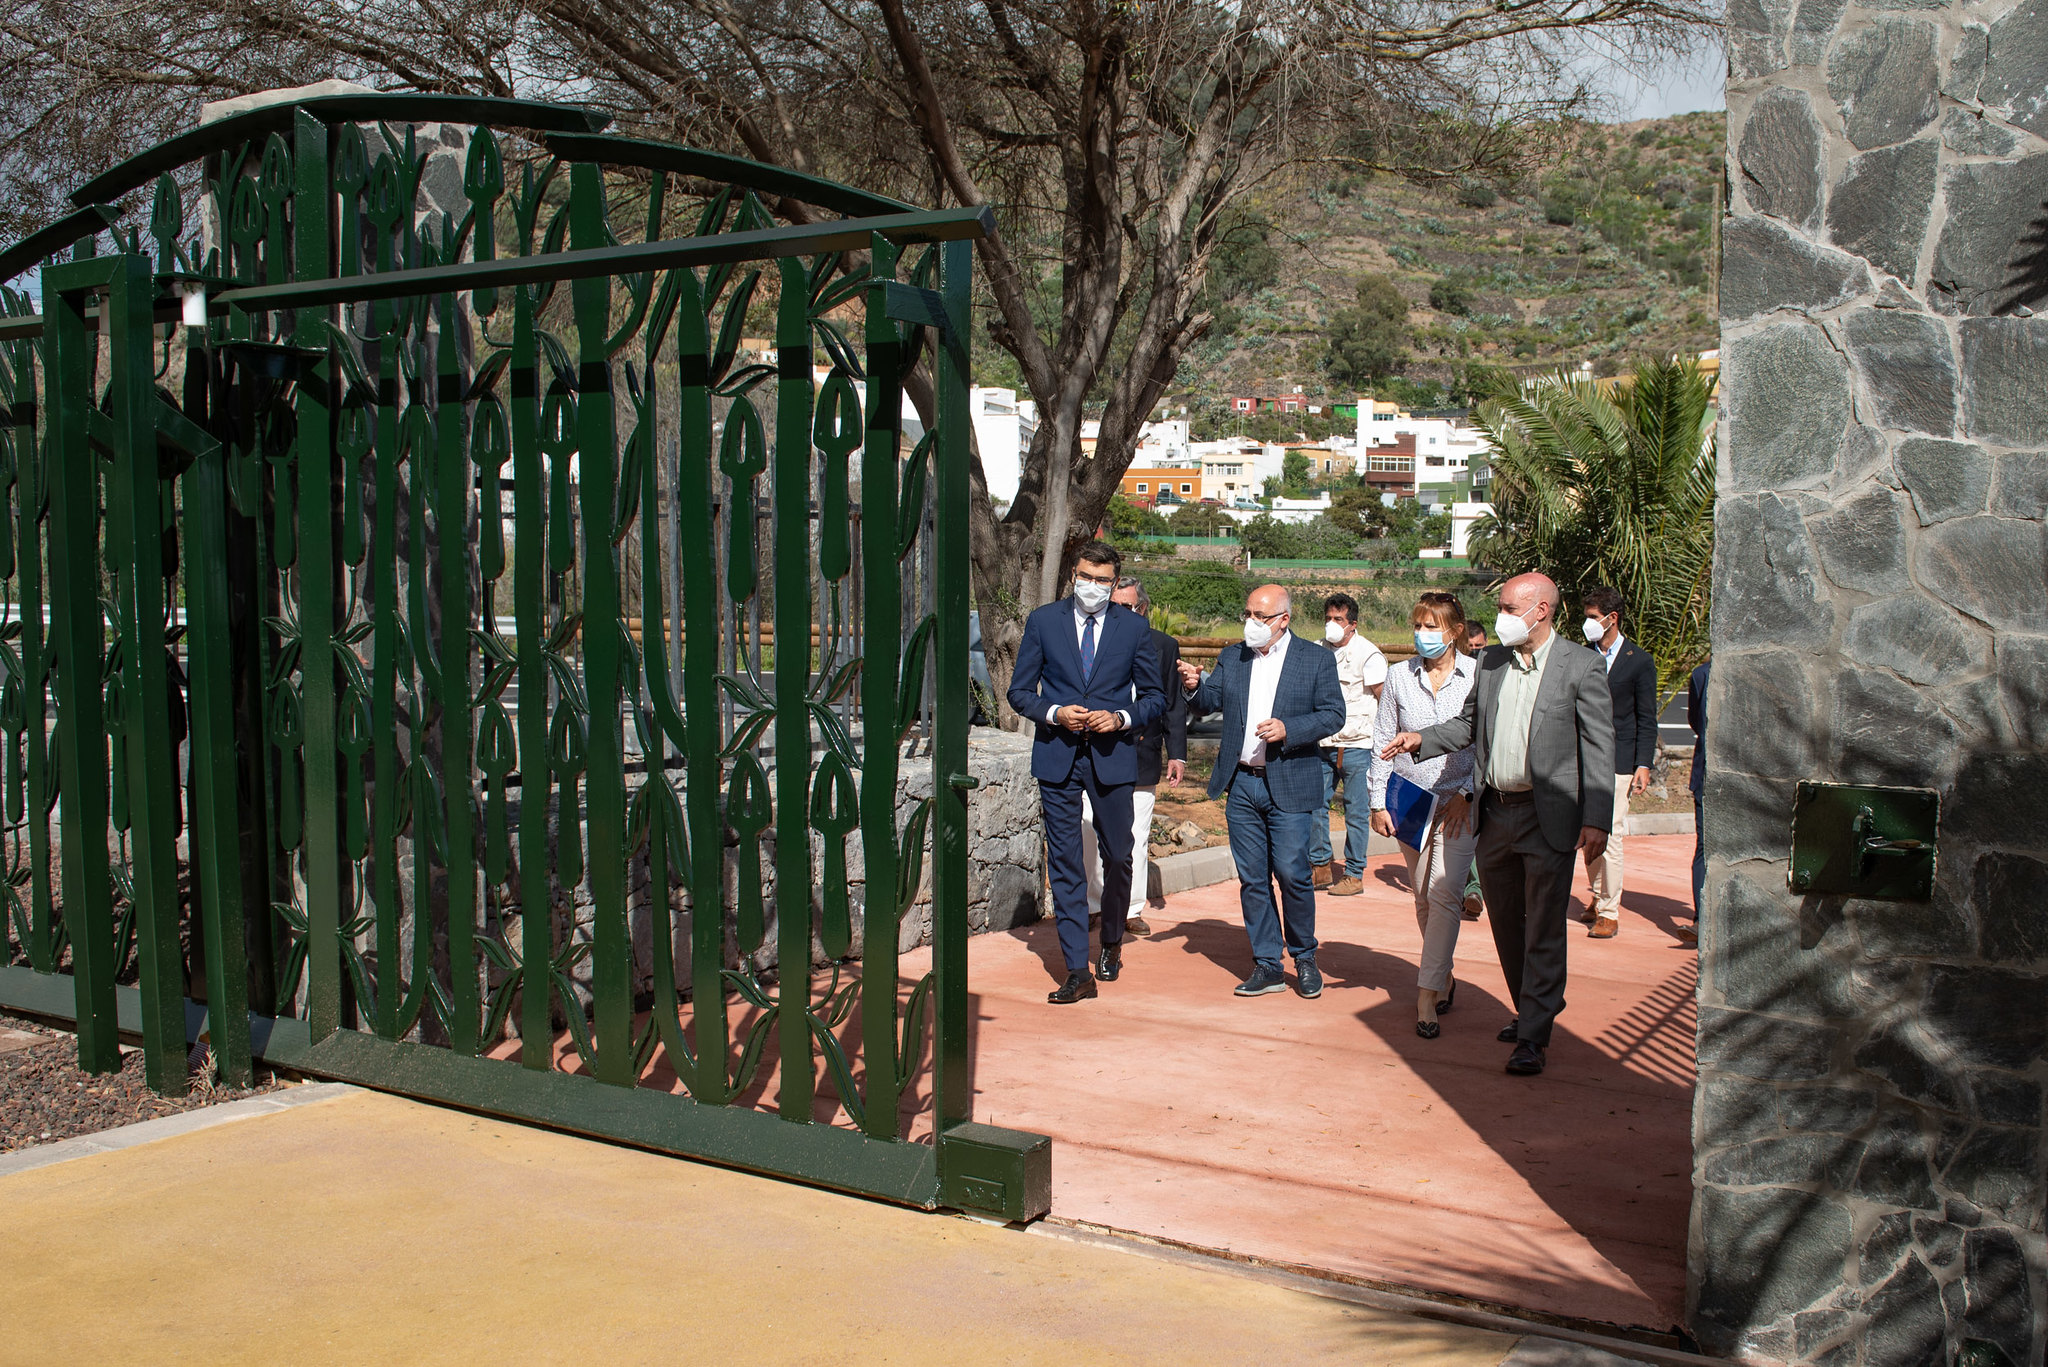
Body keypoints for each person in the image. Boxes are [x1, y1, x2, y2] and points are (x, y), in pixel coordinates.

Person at [1381, 572, 1616, 1076]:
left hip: (1547, 815)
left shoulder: (1580, 665)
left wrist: (1597, 819)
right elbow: (1468, 724)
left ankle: (1534, 1034)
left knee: (1544, 926)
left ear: (1542, 611)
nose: (1502, 617)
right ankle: (1530, 1008)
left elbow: (1599, 746)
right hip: (1496, 812)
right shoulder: (1491, 662)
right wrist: (1419, 738)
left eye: (1511, 608)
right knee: (1507, 924)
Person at [1006, 541, 1167, 1004]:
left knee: (1119, 855)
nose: (1092, 587)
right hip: (1058, 755)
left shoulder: (1133, 628)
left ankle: (1112, 940)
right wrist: (1055, 712)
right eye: (1084, 577)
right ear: (1071, 576)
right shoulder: (1043, 621)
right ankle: (1078, 970)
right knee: (1066, 863)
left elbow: (1154, 698)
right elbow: (1020, 693)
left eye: (1101, 580)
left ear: (1115, 583)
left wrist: (1121, 718)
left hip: (1113, 756)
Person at [1175, 585, 1346, 999]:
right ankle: (1268, 963)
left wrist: (1291, 728)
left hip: (1289, 780)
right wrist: (1196, 686)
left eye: (1260, 616)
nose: (1251, 623)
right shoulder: (1233, 656)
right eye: (1247, 614)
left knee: (1292, 873)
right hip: (1242, 783)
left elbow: (1333, 713)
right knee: (1253, 880)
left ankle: (1304, 957)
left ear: (1283, 620)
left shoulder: (1315, 658)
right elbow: (1209, 701)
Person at [1368, 592, 1478, 1039]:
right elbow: (1381, 739)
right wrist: (1377, 801)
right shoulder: (1398, 675)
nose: (1421, 635)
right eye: (1417, 625)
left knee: (1447, 891)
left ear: (1454, 632)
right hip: (1410, 799)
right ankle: (1444, 973)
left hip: (1459, 802)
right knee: (1422, 897)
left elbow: (1483, 742)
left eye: (1432, 627)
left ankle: (1427, 992)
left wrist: (1468, 793)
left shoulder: (1479, 676)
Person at [1082, 576, 1187, 938]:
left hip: (1141, 754)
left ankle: (1130, 908)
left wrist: (1178, 754)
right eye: (1115, 606)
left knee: (1136, 836)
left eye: (1127, 607)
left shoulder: (1164, 646)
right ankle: (1095, 905)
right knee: (1090, 831)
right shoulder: (1093, 643)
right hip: (1094, 752)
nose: (1120, 614)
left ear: (1142, 609)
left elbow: (1172, 703)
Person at [1579, 586, 1658, 940]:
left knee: (1610, 835)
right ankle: (1597, 897)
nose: (1587, 624)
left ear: (1613, 619)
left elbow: (1647, 717)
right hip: (1583, 759)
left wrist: (1644, 763)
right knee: (1588, 833)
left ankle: (1609, 911)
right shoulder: (1582, 656)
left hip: (1619, 761)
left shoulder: (1638, 661)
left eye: (1593, 618)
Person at [1309, 592, 1386, 896]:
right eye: (1328, 618)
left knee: (1356, 813)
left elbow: (1385, 700)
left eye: (1338, 619)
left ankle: (1354, 873)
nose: (1332, 624)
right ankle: (1319, 865)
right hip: (1322, 744)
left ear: (1352, 624)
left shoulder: (1370, 655)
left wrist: (1384, 743)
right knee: (1314, 805)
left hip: (1359, 745)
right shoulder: (1315, 651)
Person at [1682, 659, 1709, 947]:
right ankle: (1701, 919)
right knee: (1704, 846)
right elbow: (1695, 722)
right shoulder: (1701, 674)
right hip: (1704, 775)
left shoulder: (1702, 674)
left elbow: (1695, 722)